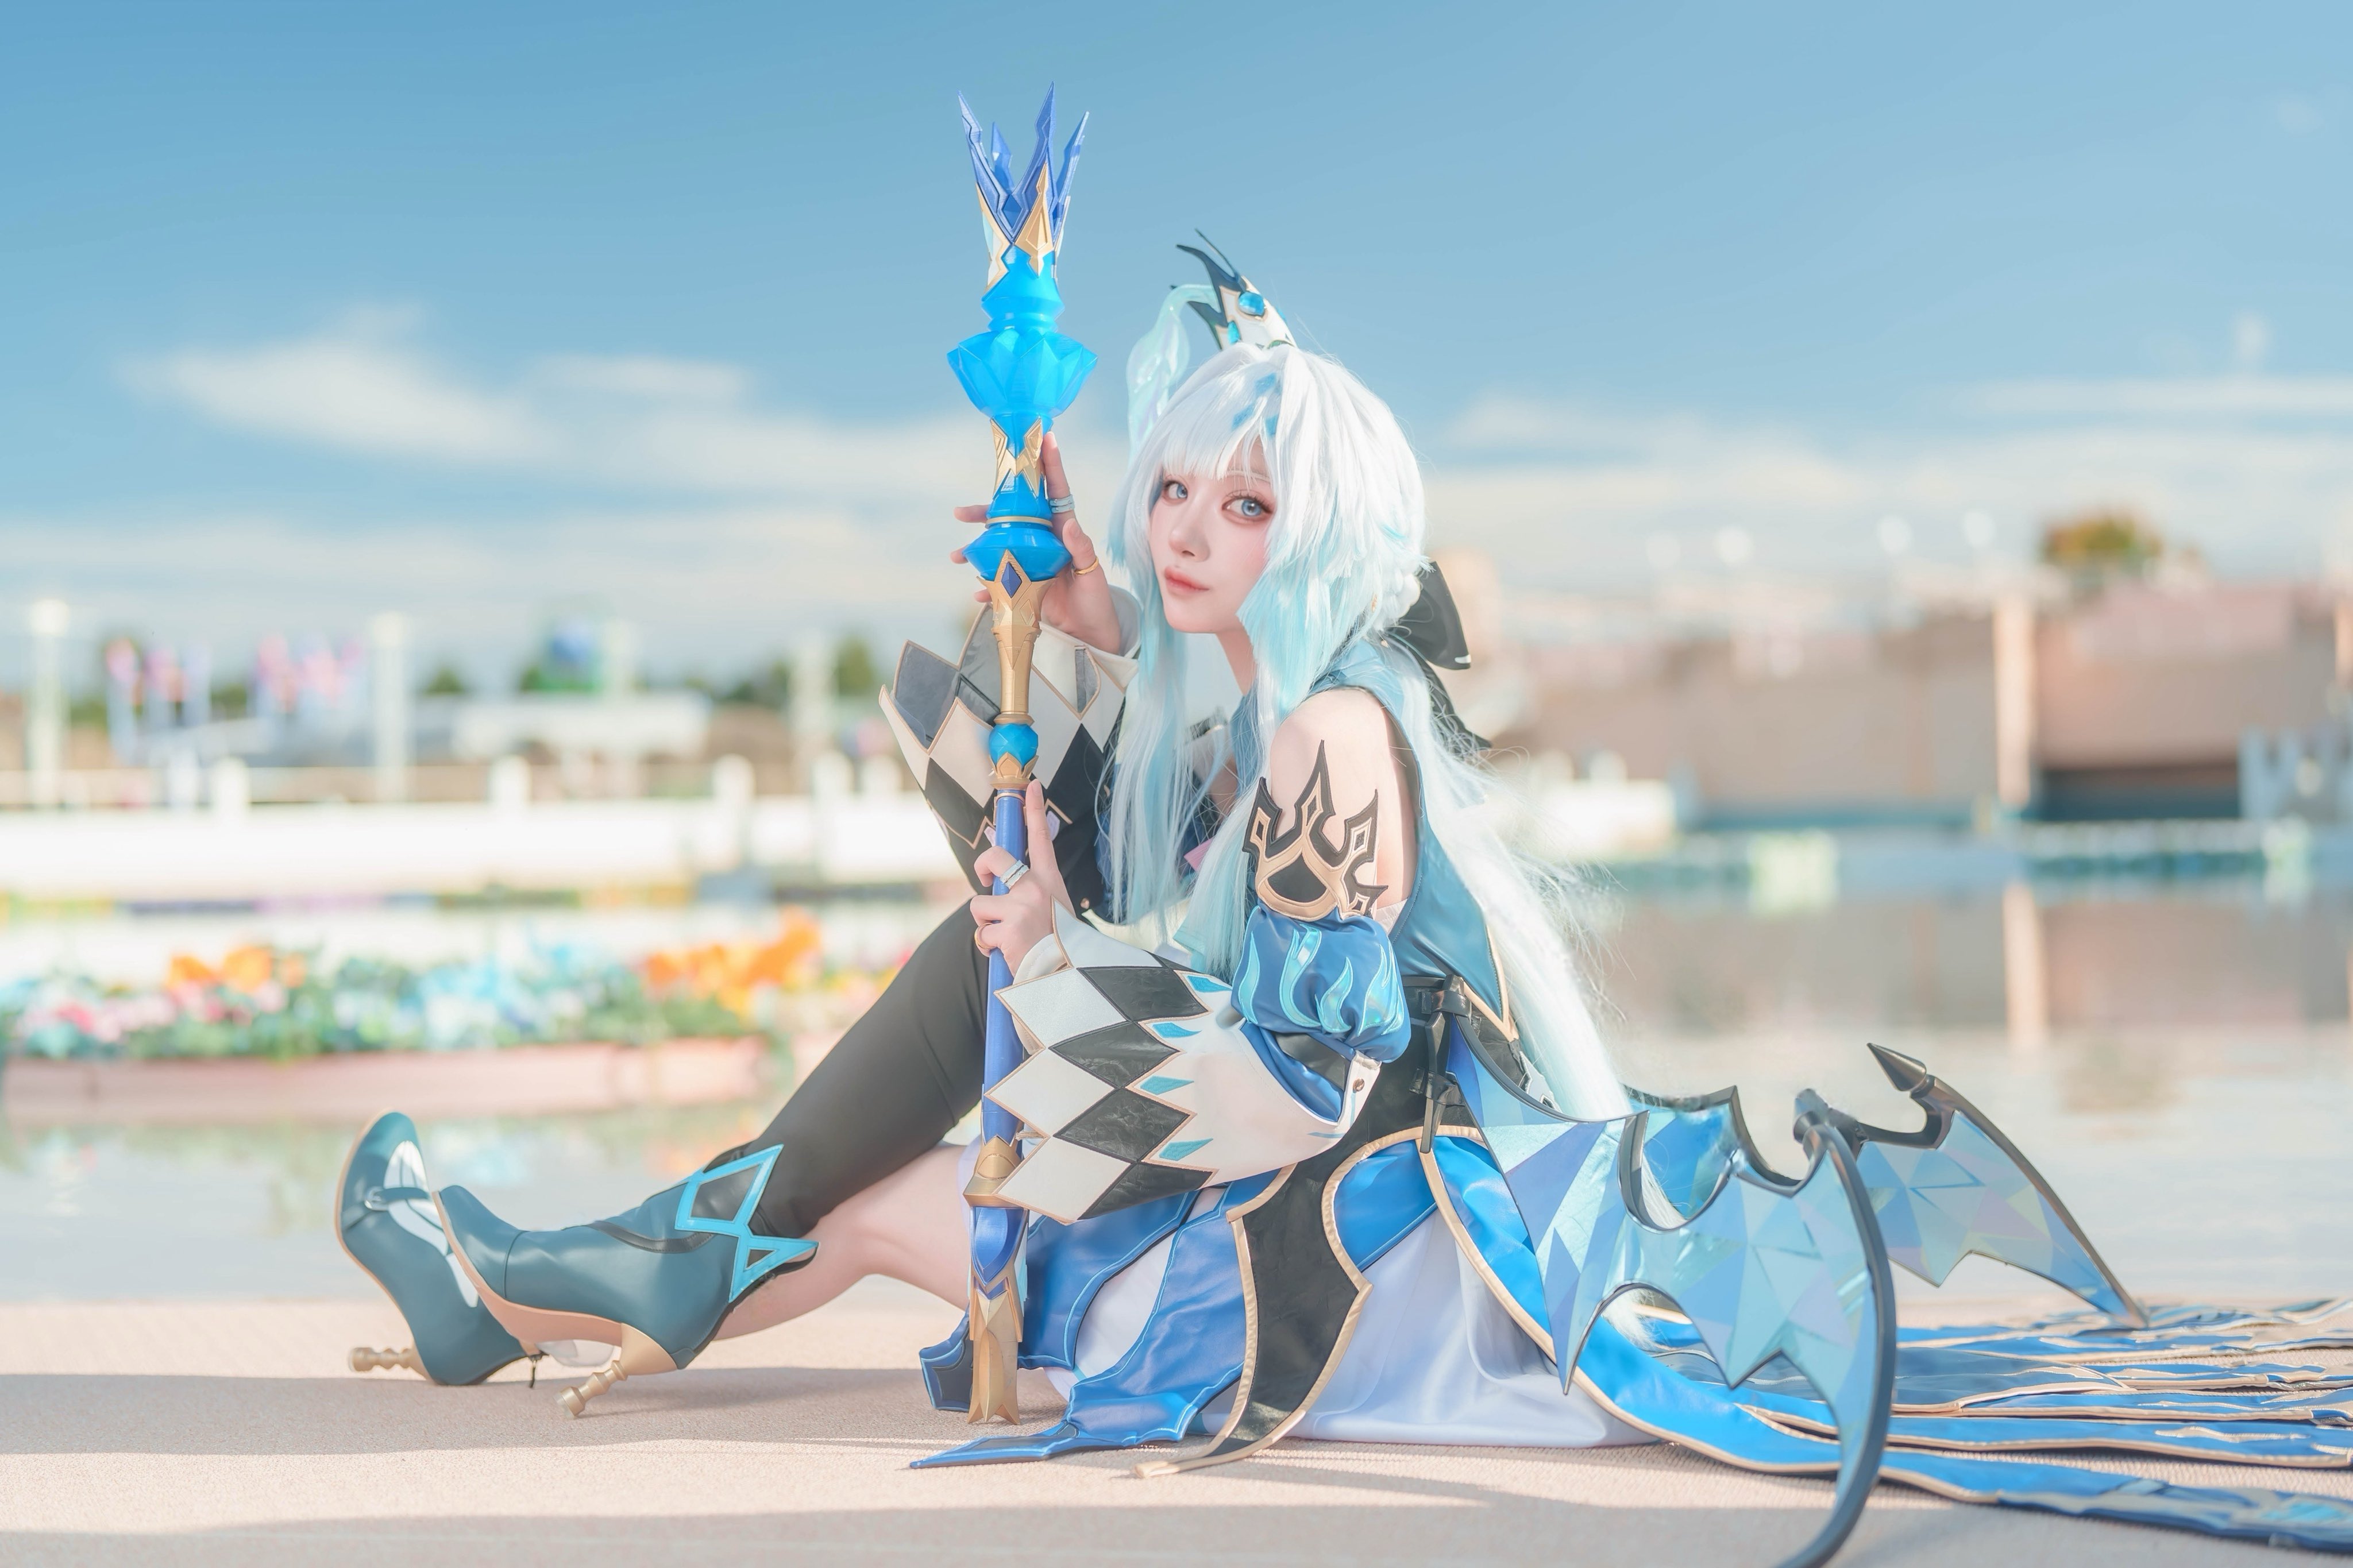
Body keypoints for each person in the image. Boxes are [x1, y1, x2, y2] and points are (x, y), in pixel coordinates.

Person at [335, 253, 2353, 1555]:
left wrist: (1056, 954)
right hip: (1293, 1191)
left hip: (1361, 1254)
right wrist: (1069, 622)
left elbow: (1298, 1092)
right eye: (1175, 488)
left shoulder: (1330, 745)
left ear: (1327, 537)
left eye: (1247, 505)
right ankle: (535, 1284)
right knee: (925, 1059)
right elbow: (1142, 791)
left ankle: (522, 1287)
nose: (1191, 530)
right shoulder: (1261, 711)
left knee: (881, 1193)